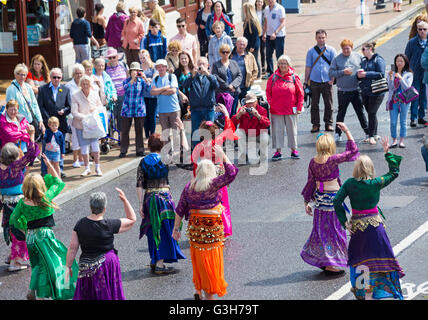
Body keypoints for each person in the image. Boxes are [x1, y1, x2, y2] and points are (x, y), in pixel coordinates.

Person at [333, 137, 405, 300]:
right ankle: (379, 291)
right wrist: (387, 153)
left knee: (360, 261)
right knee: (380, 261)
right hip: (376, 228)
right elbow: (394, 172)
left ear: (356, 169)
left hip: (358, 229)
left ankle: (363, 293)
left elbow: (336, 200)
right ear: (370, 169)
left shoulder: (350, 184)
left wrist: (344, 221)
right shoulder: (376, 182)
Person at [10, 154, 78, 300]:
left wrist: (24, 229)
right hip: (44, 237)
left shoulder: (22, 203)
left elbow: (13, 218)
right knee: (55, 262)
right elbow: (59, 183)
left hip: (30, 238)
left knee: (36, 265)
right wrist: (49, 165)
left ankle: (31, 290)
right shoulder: (45, 199)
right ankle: (42, 295)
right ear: (41, 185)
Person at [173, 147, 239, 300]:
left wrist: (176, 229)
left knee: (198, 260)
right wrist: (224, 157)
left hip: (196, 230)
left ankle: (198, 289)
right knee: (212, 260)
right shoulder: (214, 184)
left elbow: (179, 210)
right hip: (213, 231)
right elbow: (232, 173)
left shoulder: (189, 187)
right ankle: (209, 295)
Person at [300, 123, 359, 275]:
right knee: (335, 231)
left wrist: (307, 202)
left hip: (320, 202)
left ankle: (325, 261)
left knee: (322, 231)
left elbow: (310, 182)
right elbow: (353, 151)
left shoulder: (313, 161)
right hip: (333, 201)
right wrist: (346, 130)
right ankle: (331, 264)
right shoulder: (332, 160)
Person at [66, 189, 136, 300]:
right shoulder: (109, 224)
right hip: (106, 264)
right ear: (104, 208)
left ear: (91, 207)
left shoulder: (80, 224)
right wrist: (125, 200)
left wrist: (68, 266)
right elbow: (132, 219)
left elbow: (72, 248)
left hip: (86, 266)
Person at [137, 133, 185, 274]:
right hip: (164, 199)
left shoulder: (143, 162)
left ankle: (154, 259)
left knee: (152, 230)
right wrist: (181, 132)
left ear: (149, 146)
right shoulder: (165, 158)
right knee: (165, 230)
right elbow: (182, 155)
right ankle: (159, 264)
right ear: (161, 145)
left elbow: (139, 184)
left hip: (149, 198)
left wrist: (140, 204)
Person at [190, 114, 238, 239]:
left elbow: (195, 164)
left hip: (205, 176)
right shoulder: (217, 142)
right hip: (220, 175)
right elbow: (229, 130)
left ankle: (209, 227)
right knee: (223, 203)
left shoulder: (198, 147)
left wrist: (195, 180)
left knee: (208, 202)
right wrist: (227, 116)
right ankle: (224, 229)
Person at [0, 138, 38, 272]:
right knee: (21, 231)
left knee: (13, 230)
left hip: (5, 203)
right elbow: (32, 154)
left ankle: (12, 256)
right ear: (13, 156)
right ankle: (15, 263)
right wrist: (31, 136)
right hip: (18, 205)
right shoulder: (15, 167)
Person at [328, 39, 369, 142]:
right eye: (344, 48)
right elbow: (331, 72)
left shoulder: (358, 56)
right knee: (341, 113)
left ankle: (367, 132)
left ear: (352, 47)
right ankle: (338, 133)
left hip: (356, 89)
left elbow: (365, 67)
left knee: (360, 112)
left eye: (348, 48)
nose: (346, 50)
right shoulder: (337, 59)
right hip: (343, 91)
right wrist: (342, 72)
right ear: (341, 49)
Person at [266, 55, 304, 160]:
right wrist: (271, 102)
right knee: (277, 131)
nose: (282, 65)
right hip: (276, 109)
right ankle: (278, 151)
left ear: (289, 65)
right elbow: (268, 91)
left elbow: (300, 93)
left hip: (291, 109)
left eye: (285, 63)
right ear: (278, 64)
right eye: (281, 63)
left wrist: (299, 107)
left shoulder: (294, 77)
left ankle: (294, 150)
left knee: (292, 130)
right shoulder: (273, 77)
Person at [182, 57, 219, 149]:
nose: (201, 66)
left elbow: (216, 85)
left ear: (208, 65)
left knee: (209, 131)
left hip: (208, 109)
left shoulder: (212, 76)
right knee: (196, 132)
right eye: (199, 64)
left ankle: (210, 152)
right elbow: (184, 85)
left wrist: (207, 74)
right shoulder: (193, 76)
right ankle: (196, 154)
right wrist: (192, 76)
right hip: (196, 109)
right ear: (196, 65)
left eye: (203, 64)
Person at [71, 75, 104, 177]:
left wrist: (95, 110)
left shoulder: (94, 94)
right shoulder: (75, 95)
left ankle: (97, 168)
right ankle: (87, 168)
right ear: (80, 84)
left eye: (87, 83)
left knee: (95, 147)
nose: (85, 85)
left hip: (93, 125)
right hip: (81, 125)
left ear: (90, 84)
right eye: (83, 84)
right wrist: (85, 117)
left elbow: (100, 106)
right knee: (84, 148)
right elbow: (74, 112)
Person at [304, 29, 337, 133]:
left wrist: (332, 80)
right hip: (314, 81)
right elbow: (308, 67)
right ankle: (315, 124)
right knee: (314, 104)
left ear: (326, 38)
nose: (321, 39)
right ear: (316, 38)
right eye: (319, 37)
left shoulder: (331, 50)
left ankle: (329, 124)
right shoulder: (311, 51)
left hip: (327, 81)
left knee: (329, 104)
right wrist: (306, 81)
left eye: (323, 37)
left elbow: (334, 66)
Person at [150, 59, 182, 161]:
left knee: (175, 131)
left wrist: (159, 91)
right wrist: (165, 88)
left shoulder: (171, 76)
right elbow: (152, 92)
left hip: (174, 108)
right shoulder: (155, 79)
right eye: (158, 67)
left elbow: (173, 90)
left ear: (166, 67)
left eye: (162, 66)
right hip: (162, 110)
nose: (161, 68)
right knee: (165, 132)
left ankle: (177, 153)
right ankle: (168, 153)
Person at [357, 41, 386, 145]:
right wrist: (358, 75)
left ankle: (371, 136)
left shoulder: (378, 60)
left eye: (363, 49)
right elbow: (360, 75)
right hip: (365, 91)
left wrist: (366, 74)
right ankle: (374, 133)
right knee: (371, 113)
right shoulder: (364, 61)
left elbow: (381, 74)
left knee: (372, 112)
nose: (362, 51)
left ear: (370, 49)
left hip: (377, 91)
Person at [6, 64, 45, 139]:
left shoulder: (28, 87)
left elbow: (34, 104)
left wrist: (40, 120)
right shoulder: (11, 89)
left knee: (38, 143)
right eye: (19, 74)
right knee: (25, 147)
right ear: (15, 75)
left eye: (24, 75)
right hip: (20, 124)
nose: (22, 77)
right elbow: (11, 110)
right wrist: (22, 124)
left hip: (32, 120)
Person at [231, 92, 270, 164]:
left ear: (256, 102)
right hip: (246, 133)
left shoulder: (262, 110)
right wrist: (239, 115)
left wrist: (258, 116)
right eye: (248, 103)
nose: (250, 105)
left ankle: (262, 155)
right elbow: (233, 123)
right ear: (246, 103)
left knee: (265, 137)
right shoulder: (242, 109)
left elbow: (267, 124)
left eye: (252, 102)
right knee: (237, 133)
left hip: (258, 134)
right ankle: (243, 156)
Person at [119, 62, 148, 158]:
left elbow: (149, 90)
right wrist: (132, 80)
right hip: (127, 108)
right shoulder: (126, 81)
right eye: (134, 70)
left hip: (139, 108)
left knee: (139, 130)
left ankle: (140, 150)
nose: (136, 72)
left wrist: (145, 79)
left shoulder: (142, 81)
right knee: (125, 130)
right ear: (130, 71)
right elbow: (124, 89)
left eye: (138, 70)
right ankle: (123, 150)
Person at [387, 54, 413, 149]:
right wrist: (390, 77)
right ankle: (394, 140)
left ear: (405, 62)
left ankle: (401, 141)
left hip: (404, 100)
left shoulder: (409, 74)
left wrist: (401, 78)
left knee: (403, 121)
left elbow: (407, 87)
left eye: (401, 61)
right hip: (393, 100)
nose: (399, 63)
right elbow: (390, 87)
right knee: (393, 122)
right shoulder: (392, 73)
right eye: (397, 61)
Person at [405, 21, 428, 127]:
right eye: (420, 29)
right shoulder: (412, 42)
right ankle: (413, 118)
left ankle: (421, 117)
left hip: (426, 73)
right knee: (414, 95)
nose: (422, 31)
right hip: (415, 73)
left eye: (424, 29)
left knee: (424, 97)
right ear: (417, 30)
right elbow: (406, 57)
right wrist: (409, 70)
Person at [212, 44, 242, 116]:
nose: (225, 54)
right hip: (222, 94)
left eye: (227, 52)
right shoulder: (216, 64)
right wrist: (228, 86)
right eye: (223, 52)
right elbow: (216, 77)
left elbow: (239, 75)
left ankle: (232, 127)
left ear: (230, 52)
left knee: (233, 113)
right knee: (223, 114)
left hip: (234, 92)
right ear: (220, 53)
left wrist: (233, 85)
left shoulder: (234, 63)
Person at [230, 37, 259, 115]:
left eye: (244, 44)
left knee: (246, 110)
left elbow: (255, 70)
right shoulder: (230, 55)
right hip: (233, 88)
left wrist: (250, 81)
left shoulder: (250, 56)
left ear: (246, 45)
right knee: (233, 109)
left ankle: (245, 126)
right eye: (240, 44)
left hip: (245, 87)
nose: (242, 46)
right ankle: (233, 126)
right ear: (236, 44)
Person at [65, 64, 85, 169]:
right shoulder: (69, 85)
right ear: (73, 74)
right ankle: (75, 159)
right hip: (73, 116)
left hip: (83, 115)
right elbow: (67, 101)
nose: (78, 75)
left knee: (83, 136)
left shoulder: (85, 83)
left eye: (80, 73)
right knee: (75, 137)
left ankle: (82, 159)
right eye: (76, 73)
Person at [105, 47, 129, 133]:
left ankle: (121, 137)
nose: (112, 59)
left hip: (123, 95)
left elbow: (128, 77)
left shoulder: (123, 65)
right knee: (111, 117)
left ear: (117, 57)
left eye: (114, 57)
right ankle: (111, 137)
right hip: (111, 96)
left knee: (121, 117)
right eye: (110, 58)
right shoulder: (105, 68)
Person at [262, 0, 286, 80]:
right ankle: (270, 72)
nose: (270, 0)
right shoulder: (266, 9)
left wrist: (275, 33)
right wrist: (264, 33)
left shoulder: (280, 8)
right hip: (269, 35)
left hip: (279, 35)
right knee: (268, 54)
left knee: (279, 55)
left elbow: (283, 22)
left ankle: (280, 72)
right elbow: (265, 22)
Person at [139, 49, 158, 139]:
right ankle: (147, 136)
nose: (143, 59)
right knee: (145, 116)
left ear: (148, 56)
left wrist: (146, 78)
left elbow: (154, 80)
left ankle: (153, 134)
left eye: (144, 57)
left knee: (152, 116)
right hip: (142, 95)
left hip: (152, 95)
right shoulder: (139, 67)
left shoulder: (154, 66)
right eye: (141, 58)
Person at [243, 3, 262, 79]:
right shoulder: (247, 20)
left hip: (253, 44)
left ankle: (258, 74)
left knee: (255, 59)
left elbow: (255, 35)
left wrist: (252, 46)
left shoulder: (252, 21)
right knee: (251, 59)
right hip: (249, 43)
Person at [174, 51, 195, 120]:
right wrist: (182, 95)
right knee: (182, 117)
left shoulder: (194, 71)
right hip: (181, 98)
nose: (184, 60)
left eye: (185, 58)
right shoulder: (177, 72)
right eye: (182, 59)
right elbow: (174, 86)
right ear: (179, 60)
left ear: (189, 59)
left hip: (193, 97)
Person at [255, 0, 267, 76]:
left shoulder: (265, 12)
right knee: (255, 51)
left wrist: (265, 33)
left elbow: (266, 23)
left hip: (262, 34)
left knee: (262, 51)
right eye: (258, 1)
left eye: (261, 2)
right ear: (256, 2)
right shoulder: (253, 12)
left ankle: (263, 67)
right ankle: (256, 67)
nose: (259, 3)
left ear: (263, 3)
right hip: (255, 35)